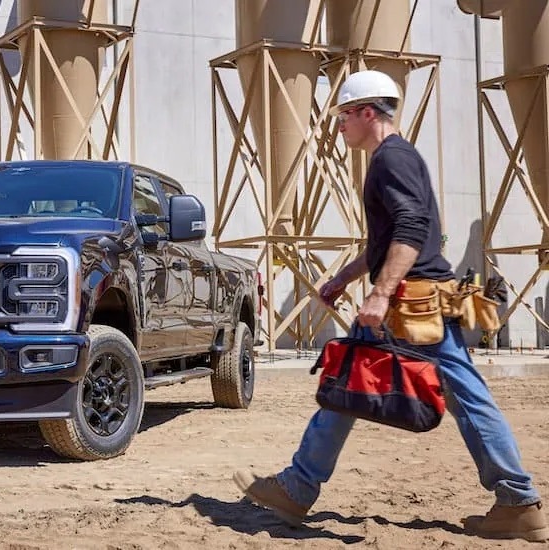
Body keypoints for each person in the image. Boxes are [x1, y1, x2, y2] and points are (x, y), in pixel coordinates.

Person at [233, 69, 548, 542]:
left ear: (366, 113)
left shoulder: (390, 160)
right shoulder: (396, 158)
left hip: (412, 305)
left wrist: (380, 294)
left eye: (343, 116)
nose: (338, 127)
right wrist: (344, 277)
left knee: (442, 396)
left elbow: (411, 228)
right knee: (349, 386)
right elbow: (388, 237)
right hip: (420, 300)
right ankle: (299, 486)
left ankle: (517, 499)